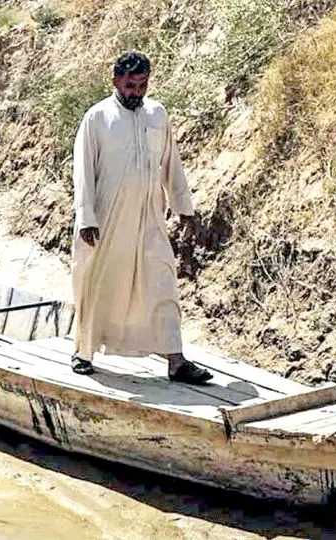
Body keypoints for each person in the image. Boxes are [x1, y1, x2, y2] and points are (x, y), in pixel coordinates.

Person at [70, 52, 213, 385]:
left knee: (163, 281)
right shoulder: (97, 118)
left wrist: (184, 208)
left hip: (150, 216)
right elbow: (83, 172)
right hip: (107, 220)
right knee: (99, 284)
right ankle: (84, 351)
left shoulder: (157, 114)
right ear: (116, 80)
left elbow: (170, 162)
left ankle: (176, 361)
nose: (137, 91)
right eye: (131, 85)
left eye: (143, 84)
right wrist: (86, 218)